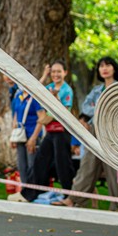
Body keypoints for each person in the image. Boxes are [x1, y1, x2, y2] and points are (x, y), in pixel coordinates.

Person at [56, 57, 118, 208]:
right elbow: (86, 108)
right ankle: (74, 199)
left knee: (113, 170)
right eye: (101, 66)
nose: (104, 68)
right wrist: (102, 108)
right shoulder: (96, 90)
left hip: (114, 133)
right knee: (87, 165)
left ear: (114, 68)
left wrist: (97, 108)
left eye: (108, 65)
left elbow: (117, 109)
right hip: (95, 131)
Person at [19, 61, 75, 202]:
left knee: (63, 164)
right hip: (50, 131)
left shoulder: (67, 90)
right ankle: (28, 194)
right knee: (40, 160)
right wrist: (43, 75)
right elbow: (34, 90)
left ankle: (70, 196)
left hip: (62, 131)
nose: (55, 74)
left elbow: (63, 112)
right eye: (53, 72)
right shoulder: (49, 87)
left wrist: (46, 118)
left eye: (59, 71)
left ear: (65, 72)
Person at [8, 83, 40, 199]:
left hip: (31, 134)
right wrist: (13, 134)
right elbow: (16, 116)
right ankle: (24, 191)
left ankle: (32, 192)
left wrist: (34, 138)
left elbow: (40, 118)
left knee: (32, 164)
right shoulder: (19, 96)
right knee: (22, 164)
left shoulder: (35, 97)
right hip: (20, 135)